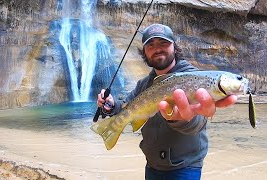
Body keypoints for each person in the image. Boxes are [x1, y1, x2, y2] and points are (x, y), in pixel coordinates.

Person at [96, 24, 237, 180]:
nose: (157, 48)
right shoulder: (143, 84)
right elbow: (127, 108)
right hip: (152, 165)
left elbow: (197, 122)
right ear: (144, 53)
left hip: (185, 168)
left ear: (174, 47)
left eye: (163, 43)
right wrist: (110, 105)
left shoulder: (194, 78)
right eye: (151, 45)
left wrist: (181, 119)